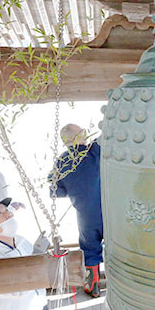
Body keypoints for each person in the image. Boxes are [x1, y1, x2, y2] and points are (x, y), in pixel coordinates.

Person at [49, 124, 103, 297]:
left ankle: (92, 287)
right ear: (81, 135)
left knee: (89, 251)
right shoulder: (94, 150)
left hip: (85, 216)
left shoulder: (61, 161)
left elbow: (56, 191)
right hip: (109, 211)